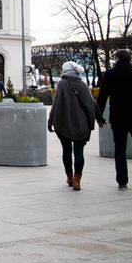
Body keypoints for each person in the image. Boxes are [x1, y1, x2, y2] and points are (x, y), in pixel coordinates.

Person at [97, 49, 132, 189]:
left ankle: (122, 181)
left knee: (120, 149)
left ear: (117, 59)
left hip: (118, 117)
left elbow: (102, 97)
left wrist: (99, 116)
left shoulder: (109, 74)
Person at [48, 61, 104, 191]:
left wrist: (50, 121)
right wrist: (99, 119)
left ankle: (69, 177)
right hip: (82, 125)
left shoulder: (62, 84)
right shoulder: (83, 84)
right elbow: (92, 103)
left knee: (66, 151)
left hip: (64, 123)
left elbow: (56, 103)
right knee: (79, 152)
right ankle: (77, 180)